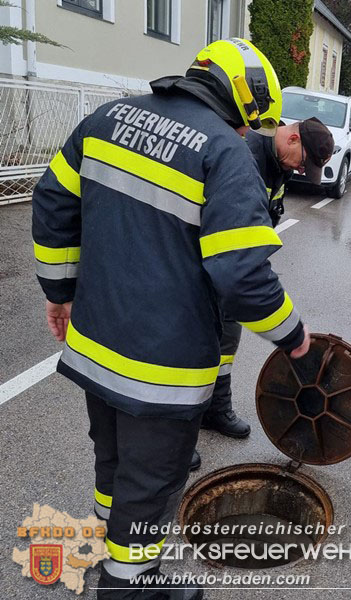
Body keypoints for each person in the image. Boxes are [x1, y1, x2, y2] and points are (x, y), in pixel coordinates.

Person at [32, 38, 311, 599]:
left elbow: (52, 201)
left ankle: (113, 552)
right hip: (162, 368)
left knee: (111, 462)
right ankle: (129, 585)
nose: (244, 133)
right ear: (241, 101)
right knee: (153, 479)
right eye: (250, 121)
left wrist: (59, 292)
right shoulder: (224, 154)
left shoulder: (106, 118)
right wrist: (294, 336)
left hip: (93, 346)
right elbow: (242, 277)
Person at [203, 119, 333, 446]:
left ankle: (214, 410)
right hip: (207, 268)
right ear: (291, 137)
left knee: (226, 342)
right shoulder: (244, 156)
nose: (302, 170)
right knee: (193, 351)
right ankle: (177, 433)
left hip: (233, 267)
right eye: (303, 161)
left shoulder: (278, 166)